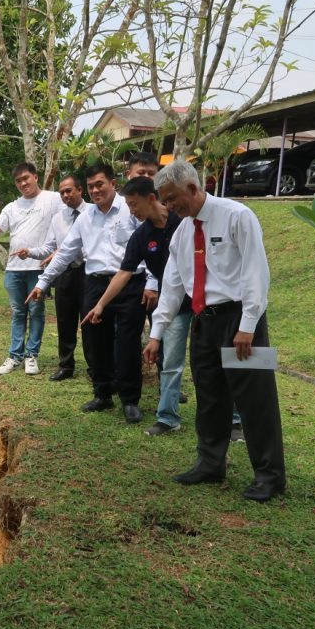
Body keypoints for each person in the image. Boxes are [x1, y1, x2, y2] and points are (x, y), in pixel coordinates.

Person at [144, 160, 286, 502]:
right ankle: (210, 463)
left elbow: (256, 271)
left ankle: (270, 476)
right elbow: (173, 286)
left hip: (239, 320)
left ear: (193, 188)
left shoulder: (237, 216)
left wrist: (248, 324)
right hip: (202, 321)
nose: (169, 206)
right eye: (164, 200)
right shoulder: (181, 232)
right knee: (210, 397)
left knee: (256, 400)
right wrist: (156, 333)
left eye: (172, 198)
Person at [27, 163, 147, 423]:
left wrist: (153, 282)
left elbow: (148, 246)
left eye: (99, 184)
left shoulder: (131, 210)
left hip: (129, 285)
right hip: (94, 283)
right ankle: (102, 394)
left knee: (127, 343)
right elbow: (65, 253)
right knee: (96, 340)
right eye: (91, 186)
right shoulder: (85, 218)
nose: (95, 190)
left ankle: (130, 400)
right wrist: (42, 283)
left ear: (113, 183)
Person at [81, 176, 185, 435]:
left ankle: (234, 419)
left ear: (151, 198)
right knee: (170, 360)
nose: (132, 210)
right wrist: (101, 304)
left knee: (215, 358)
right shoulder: (141, 235)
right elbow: (125, 271)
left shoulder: (183, 222)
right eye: (128, 205)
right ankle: (168, 417)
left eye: (134, 204)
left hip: (205, 298)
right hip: (173, 302)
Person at [0, 162, 62, 376]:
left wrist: (61, 249)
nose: (23, 183)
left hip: (39, 267)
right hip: (14, 269)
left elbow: (71, 217)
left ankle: (31, 356)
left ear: (35, 177)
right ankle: (15, 356)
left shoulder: (52, 199)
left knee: (36, 311)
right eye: (18, 181)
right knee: (18, 312)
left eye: (26, 178)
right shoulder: (12, 207)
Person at [11, 174, 88, 381]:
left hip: (88, 272)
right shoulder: (58, 218)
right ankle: (66, 366)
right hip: (64, 273)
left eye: (69, 190)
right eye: (62, 192)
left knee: (90, 322)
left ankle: (95, 368)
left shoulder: (93, 213)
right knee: (65, 321)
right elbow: (50, 247)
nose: (65, 195)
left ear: (80, 190)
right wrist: (31, 252)